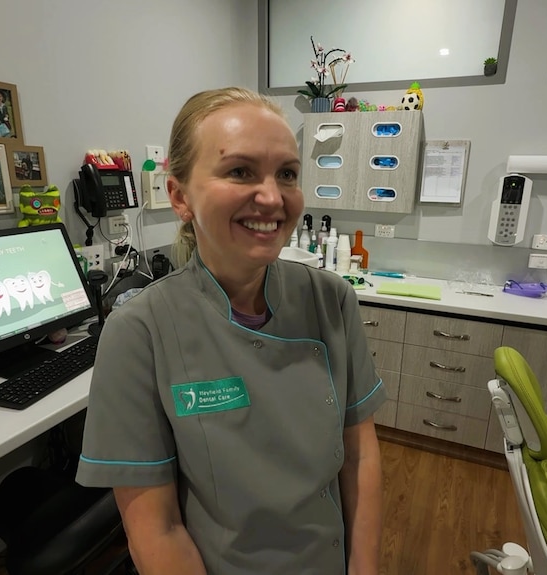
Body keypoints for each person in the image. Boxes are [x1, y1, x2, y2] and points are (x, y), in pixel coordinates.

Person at [76, 87, 384, 574]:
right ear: (180, 196)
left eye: (286, 173)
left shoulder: (332, 300)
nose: (271, 196)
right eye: (240, 171)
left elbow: (359, 457)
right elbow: (158, 530)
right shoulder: (139, 332)